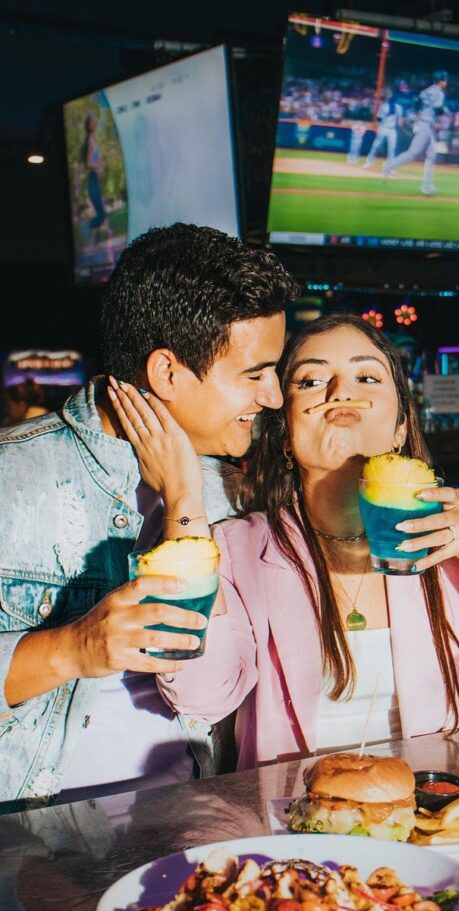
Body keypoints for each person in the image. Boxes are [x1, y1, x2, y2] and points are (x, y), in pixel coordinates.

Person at [153, 312, 459, 768]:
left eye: (366, 376)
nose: (341, 392)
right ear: (285, 433)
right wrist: (184, 496)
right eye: (310, 381)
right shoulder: (235, 549)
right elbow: (202, 697)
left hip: (433, 814)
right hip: (290, 827)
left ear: (401, 427)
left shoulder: (454, 538)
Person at [0, 223, 299, 812]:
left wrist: (185, 500)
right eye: (254, 372)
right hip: (28, 844)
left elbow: (213, 697)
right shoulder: (13, 475)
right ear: (167, 373)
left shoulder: (234, 492)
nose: (273, 396)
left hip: (188, 830)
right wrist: (70, 649)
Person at [384, 71, 449, 195]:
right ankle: (390, 165)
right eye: (444, 80)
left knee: (431, 155)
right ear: (440, 81)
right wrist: (445, 110)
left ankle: (427, 186)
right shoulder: (439, 93)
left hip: (423, 123)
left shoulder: (425, 91)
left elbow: (416, 105)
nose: (445, 83)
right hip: (426, 125)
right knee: (413, 153)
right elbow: (439, 110)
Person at [82, 112, 114, 247]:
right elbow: (89, 163)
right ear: (88, 125)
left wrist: (101, 165)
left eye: (94, 122)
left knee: (102, 213)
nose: (94, 124)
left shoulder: (92, 139)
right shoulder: (89, 140)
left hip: (95, 180)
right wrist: (100, 165)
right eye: (92, 122)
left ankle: (96, 240)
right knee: (101, 214)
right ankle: (87, 226)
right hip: (92, 180)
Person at [363, 88, 403, 170]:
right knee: (376, 145)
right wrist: (377, 127)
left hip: (392, 129)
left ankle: (390, 166)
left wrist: (400, 126)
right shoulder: (384, 106)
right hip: (384, 127)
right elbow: (379, 118)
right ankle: (369, 162)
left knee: (392, 148)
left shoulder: (398, 107)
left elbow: (400, 118)